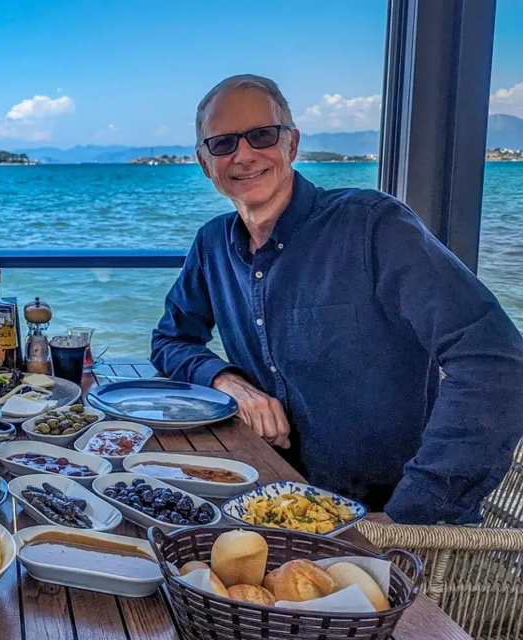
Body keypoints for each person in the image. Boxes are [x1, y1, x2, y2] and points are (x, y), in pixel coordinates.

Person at [151, 74, 523, 524]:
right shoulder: (213, 245)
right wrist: (229, 381)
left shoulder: (373, 227)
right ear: (204, 162)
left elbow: (496, 361)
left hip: (387, 520)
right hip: (268, 500)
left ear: (291, 144)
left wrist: (414, 514)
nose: (243, 155)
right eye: (223, 143)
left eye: (261, 136)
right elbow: (171, 340)